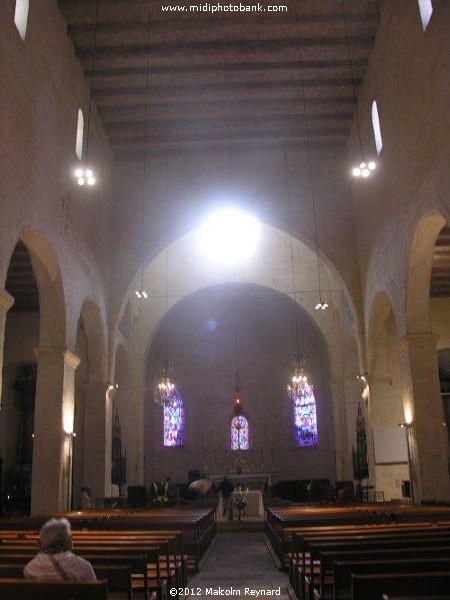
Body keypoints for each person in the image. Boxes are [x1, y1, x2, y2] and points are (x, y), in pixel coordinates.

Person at [24, 517, 96, 581]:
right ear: (65, 541)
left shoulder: (31, 568)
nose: (72, 538)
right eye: (70, 536)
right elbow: (94, 592)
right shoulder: (83, 566)